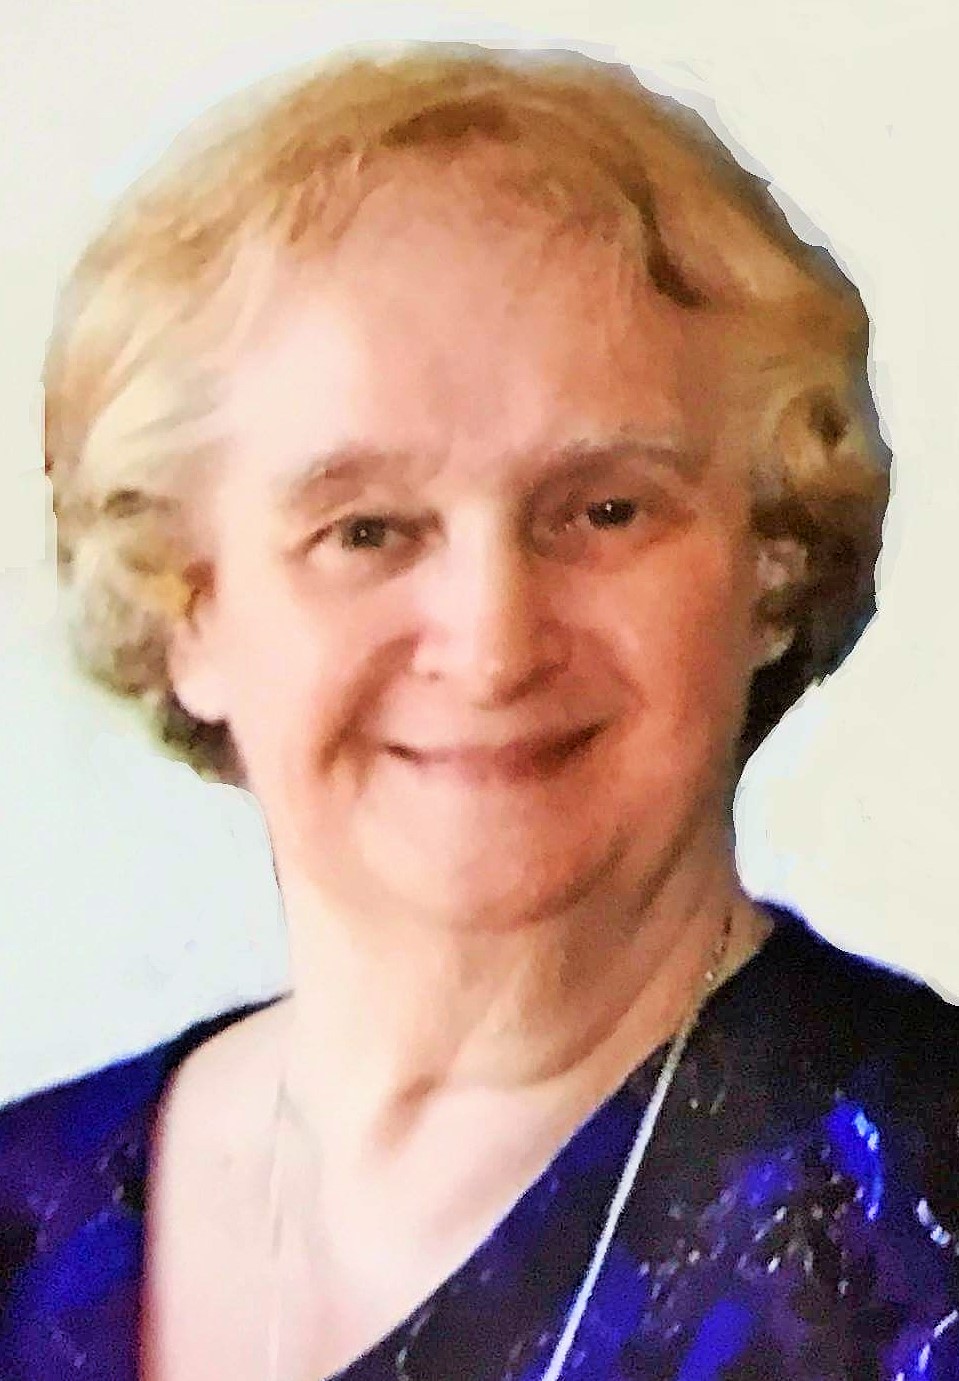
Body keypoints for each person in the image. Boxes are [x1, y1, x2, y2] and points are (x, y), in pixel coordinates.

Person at [1, 40, 956, 1381]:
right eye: (366, 530)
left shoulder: (922, 1231)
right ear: (189, 609)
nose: (494, 643)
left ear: (774, 568)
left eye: (605, 510)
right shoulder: (25, 1220)